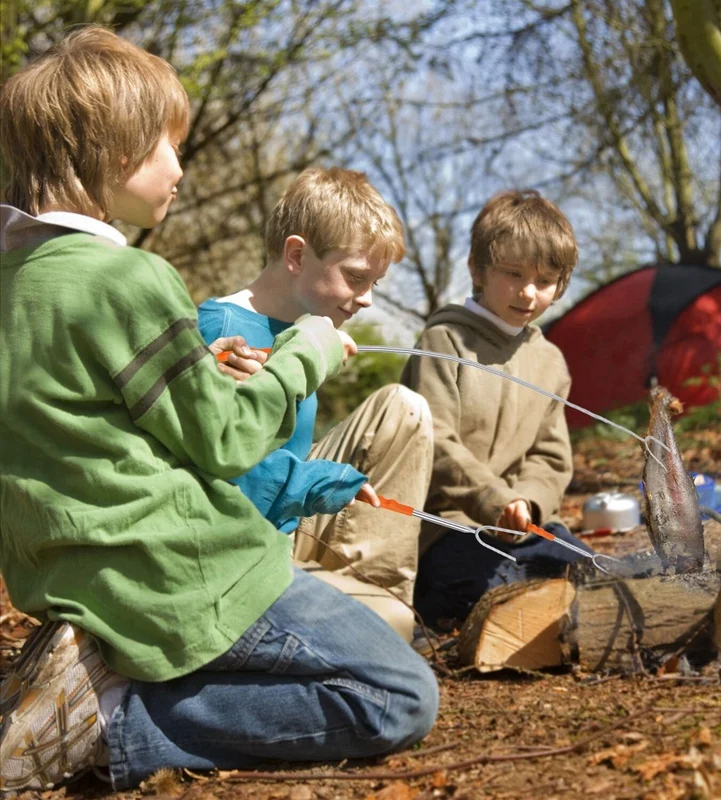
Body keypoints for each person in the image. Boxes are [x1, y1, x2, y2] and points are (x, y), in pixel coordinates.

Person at [0, 27, 437, 794]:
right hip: (187, 575)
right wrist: (307, 348)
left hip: (78, 580)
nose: (180, 167)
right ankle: (110, 723)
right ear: (111, 153)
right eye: (168, 145)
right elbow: (227, 442)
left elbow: (78, 424)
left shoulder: (15, 285)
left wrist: (202, 371)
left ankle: (90, 683)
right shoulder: (128, 278)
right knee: (400, 694)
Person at [198, 168, 433, 617]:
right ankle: (361, 617)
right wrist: (327, 482)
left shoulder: (308, 330)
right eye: (356, 277)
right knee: (388, 629)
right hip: (240, 536)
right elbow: (227, 475)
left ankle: (375, 590)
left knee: (402, 407)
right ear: (296, 255)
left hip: (291, 510)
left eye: (373, 284)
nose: (366, 299)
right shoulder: (224, 333)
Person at [401, 189, 591, 629]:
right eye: (513, 274)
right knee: (486, 587)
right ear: (477, 270)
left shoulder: (550, 361)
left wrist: (527, 502)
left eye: (544, 281)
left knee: (589, 572)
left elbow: (550, 456)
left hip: (527, 527)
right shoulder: (444, 342)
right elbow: (436, 441)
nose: (528, 293)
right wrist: (494, 501)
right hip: (451, 528)